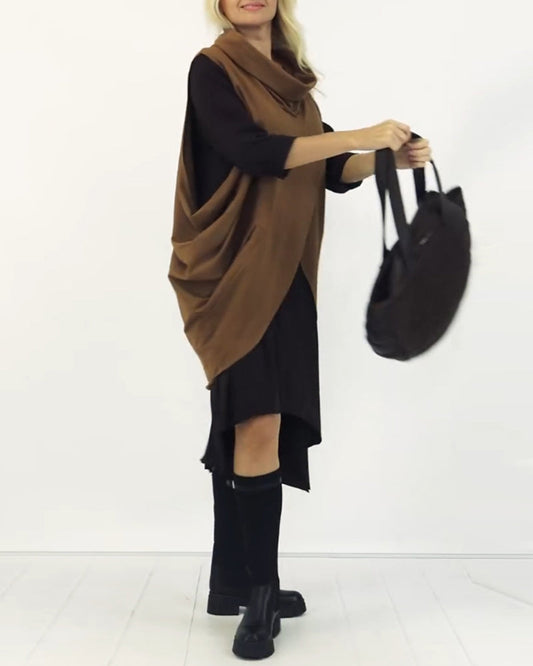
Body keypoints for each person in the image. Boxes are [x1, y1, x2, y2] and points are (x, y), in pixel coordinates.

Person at [168, 0, 432, 659]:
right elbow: (254, 153)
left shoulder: (292, 81)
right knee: (255, 422)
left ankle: (240, 581)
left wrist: (387, 157)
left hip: (287, 273)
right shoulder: (212, 69)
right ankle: (259, 595)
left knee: (258, 423)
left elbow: (326, 169)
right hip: (236, 273)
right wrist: (357, 135)